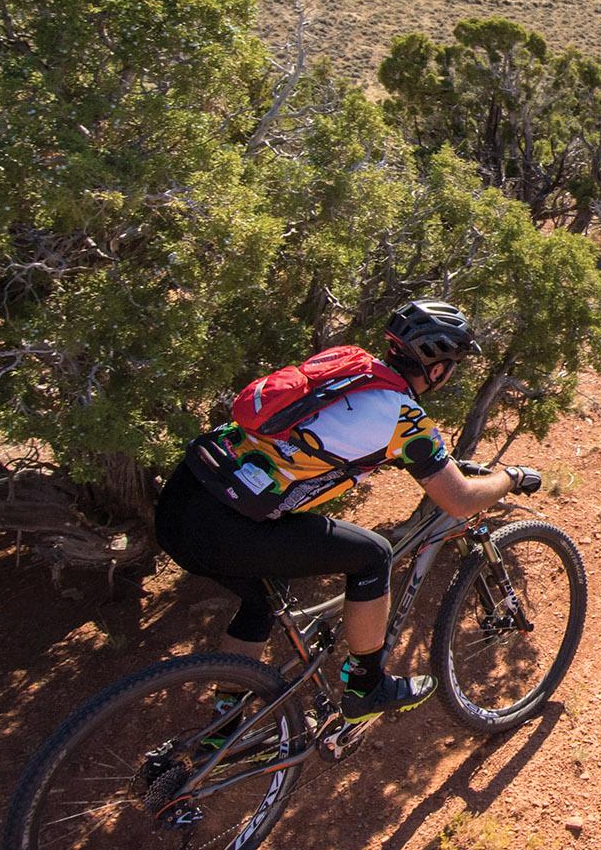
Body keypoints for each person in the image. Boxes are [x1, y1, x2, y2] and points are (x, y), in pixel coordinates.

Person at [153, 299, 541, 732]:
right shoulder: (404, 419)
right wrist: (511, 477)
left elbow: (329, 432)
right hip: (225, 526)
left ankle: (222, 733)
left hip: (179, 500)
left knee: (261, 601)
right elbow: (461, 501)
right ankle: (366, 687)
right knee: (374, 555)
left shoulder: (347, 366)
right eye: (452, 365)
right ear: (436, 369)